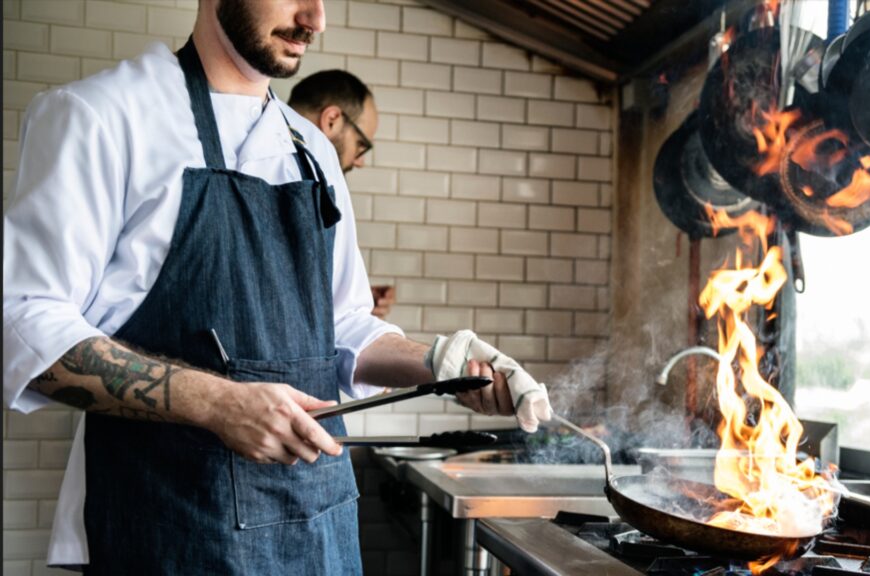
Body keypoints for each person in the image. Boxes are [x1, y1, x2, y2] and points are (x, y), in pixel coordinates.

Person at [1, 1, 552, 574]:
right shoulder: (101, 116)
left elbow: (340, 324)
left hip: (317, 528)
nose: (315, 20)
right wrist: (216, 402)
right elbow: (23, 327)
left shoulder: (311, 152)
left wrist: (439, 360)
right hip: (172, 526)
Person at [288, 69, 395, 318]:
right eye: (361, 145)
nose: (359, 162)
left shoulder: (319, 186)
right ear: (332, 120)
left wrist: (350, 302)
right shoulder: (296, 184)